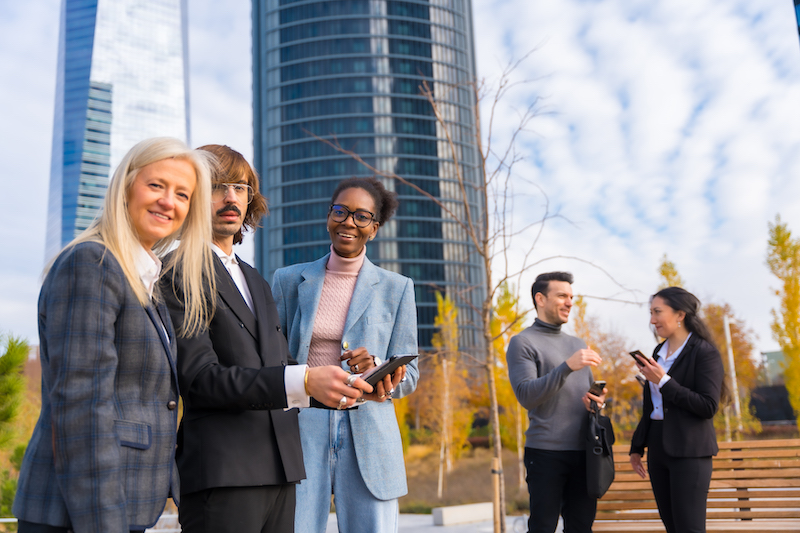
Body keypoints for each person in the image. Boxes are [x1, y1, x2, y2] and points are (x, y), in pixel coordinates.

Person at [160, 145, 374, 533]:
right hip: (223, 473)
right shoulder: (177, 272)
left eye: (240, 188)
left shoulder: (255, 278)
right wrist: (305, 380)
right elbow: (200, 379)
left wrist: (341, 383)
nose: (231, 197)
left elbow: (277, 370)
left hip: (281, 469)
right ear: (190, 195)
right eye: (217, 186)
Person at [13, 137, 217, 533]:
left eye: (182, 194)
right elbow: (82, 408)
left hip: (124, 506)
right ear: (125, 187)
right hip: (82, 513)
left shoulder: (144, 280)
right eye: (155, 185)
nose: (167, 202)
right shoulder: (93, 262)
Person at [271, 176, 419, 533]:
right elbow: (271, 362)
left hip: (369, 431)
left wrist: (380, 369)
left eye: (361, 216)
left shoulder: (398, 288)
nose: (348, 222)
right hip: (302, 425)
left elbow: (410, 376)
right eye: (341, 211)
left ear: (375, 228)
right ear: (329, 215)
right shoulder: (288, 281)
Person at [505, 271, 607, 533]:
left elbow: (584, 394)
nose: (570, 302)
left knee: (581, 527)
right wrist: (566, 367)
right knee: (542, 527)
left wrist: (597, 402)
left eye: (571, 297)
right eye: (562, 295)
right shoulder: (522, 342)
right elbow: (527, 395)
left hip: (585, 451)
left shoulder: (577, 343)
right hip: (546, 453)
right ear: (540, 298)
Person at [629, 287, 725, 533]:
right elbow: (652, 407)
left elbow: (707, 406)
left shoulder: (704, 353)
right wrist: (637, 446)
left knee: (689, 528)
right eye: (651, 313)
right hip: (658, 448)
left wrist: (663, 381)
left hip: (690, 450)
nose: (652, 320)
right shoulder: (657, 354)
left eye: (658, 312)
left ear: (680, 314)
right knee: (672, 527)